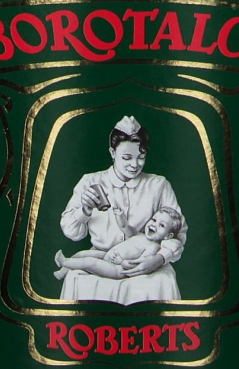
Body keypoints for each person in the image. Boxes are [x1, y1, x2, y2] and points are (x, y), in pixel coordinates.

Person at [60, 115, 188, 280]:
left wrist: (160, 258)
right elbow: (71, 232)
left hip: (145, 264)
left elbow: (179, 233)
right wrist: (84, 211)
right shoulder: (90, 181)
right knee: (78, 274)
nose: (135, 165)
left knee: (163, 280)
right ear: (113, 153)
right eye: (127, 158)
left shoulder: (159, 185)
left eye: (141, 157)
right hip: (102, 258)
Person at [54, 208, 182, 280]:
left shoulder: (154, 247)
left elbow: (138, 264)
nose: (154, 224)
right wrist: (120, 216)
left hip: (118, 269)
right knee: (83, 254)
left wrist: (121, 262)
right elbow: (125, 227)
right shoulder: (140, 235)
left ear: (168, 236)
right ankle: (63, 271)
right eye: (154, 220)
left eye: (161, 225)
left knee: (89, 262)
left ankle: (65, 262)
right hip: (109, 255)